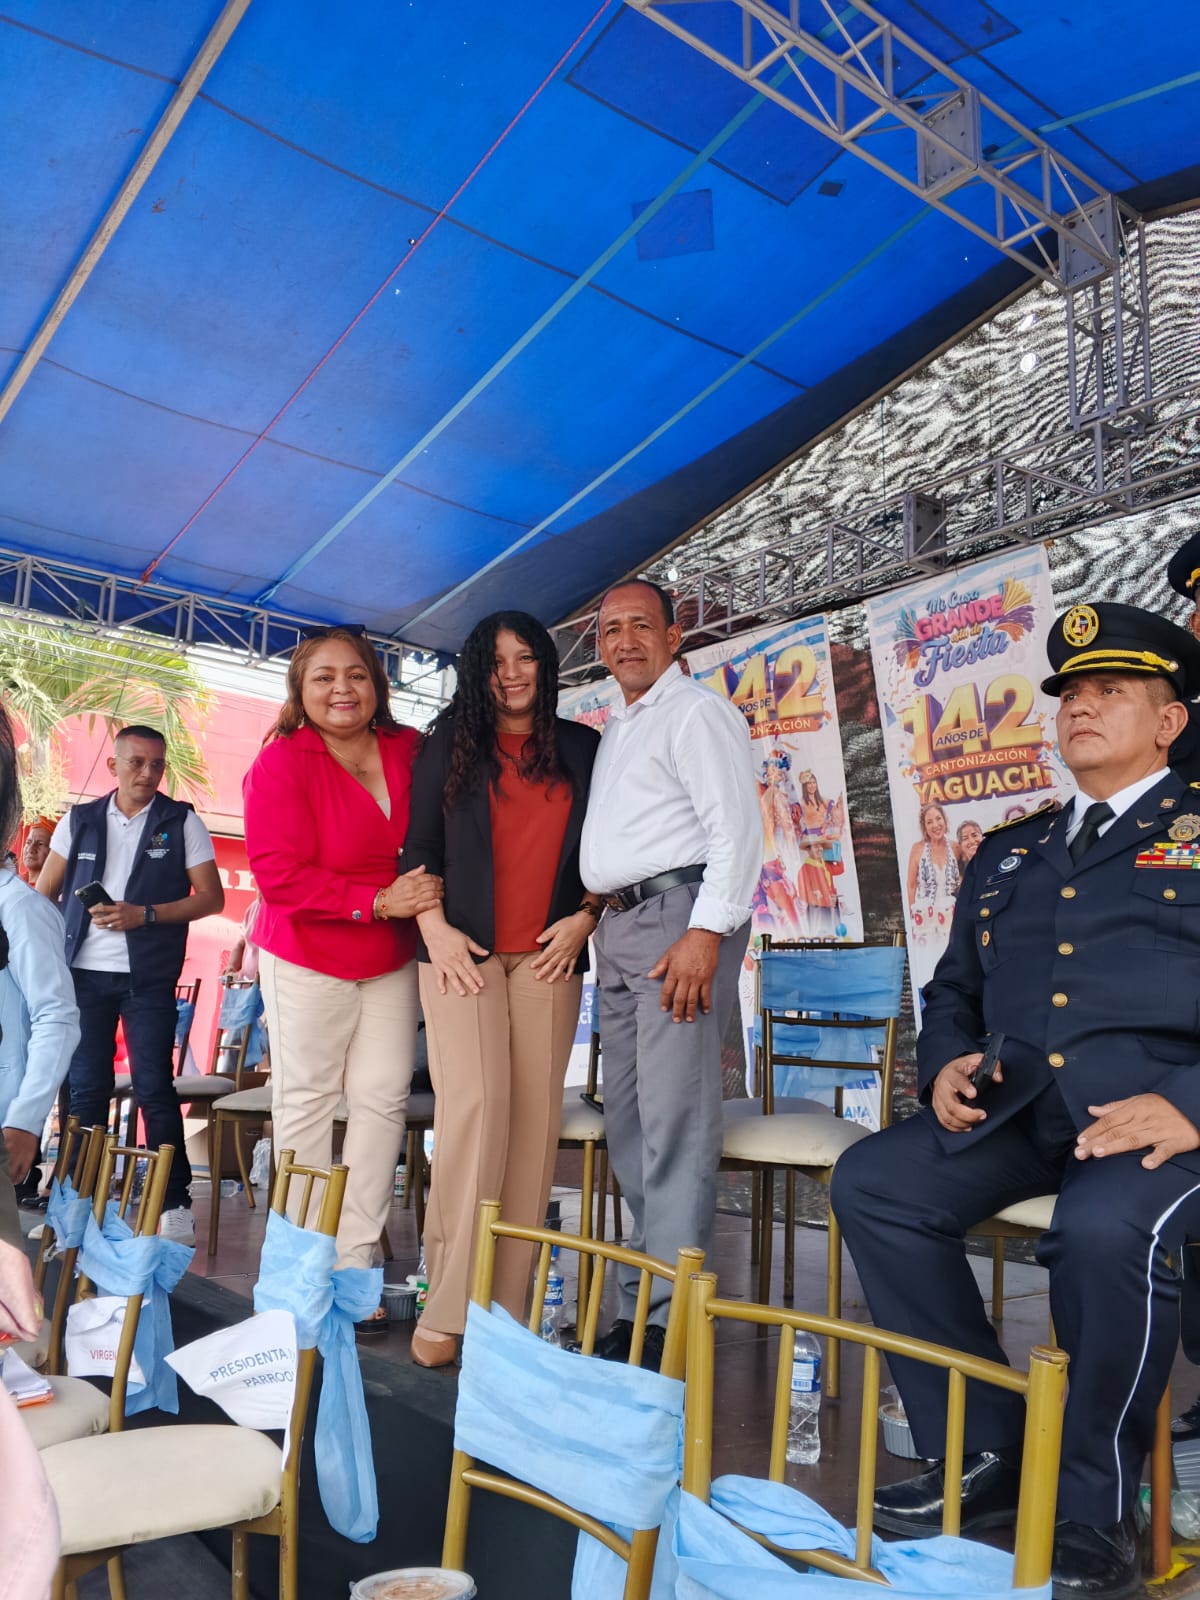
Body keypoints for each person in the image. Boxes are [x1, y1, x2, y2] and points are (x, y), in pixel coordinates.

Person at [831, 602, 1200, 1600]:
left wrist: (1192, 1106)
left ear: (1169, 721)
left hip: (1155, 1116)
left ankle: (1095, 1507)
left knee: (1103, 1234)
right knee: (874, 1182)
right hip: (1023, 1107)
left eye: (1110, 691)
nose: (1081, 706)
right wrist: (944, 1064)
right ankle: (984, 1450)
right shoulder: (1012, 849)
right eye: (1071, 693)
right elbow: (952, 986)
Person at [403, 611, 600, 1368]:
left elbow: (611, 851)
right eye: (495, 662)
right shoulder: (448, 743)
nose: (511, 674)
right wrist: (435, 931)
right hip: (463, 951)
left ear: (547, 666)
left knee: (532, 1130)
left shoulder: (584, 748)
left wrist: (588, 915)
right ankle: (448, 1303)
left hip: (550, 955)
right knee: (476, 1114)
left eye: (525, 659)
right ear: (476, 674)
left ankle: (506, 1313)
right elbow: (419, 848)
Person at [579, 580, 761, 1368]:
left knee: (674, 1126)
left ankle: (671, 1321)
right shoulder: (621, 724)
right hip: (620, 926)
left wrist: (705, 931)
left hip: (676, 920)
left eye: (640, 626)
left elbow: (736, 830)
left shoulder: (694, 712)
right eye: (610, 630)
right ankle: (640, 1309)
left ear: (674, 635)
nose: (625, 641)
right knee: (629, 1124)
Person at [242, 626, 440, 1314]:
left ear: (376, 684)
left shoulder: (409, 748)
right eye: (323, 677)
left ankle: (355, 1269)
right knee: (307, 1105)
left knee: (383, 1100)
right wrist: (377, 900)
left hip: (389, 955)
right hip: (307, 951)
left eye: (355, 674)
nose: (341, 689)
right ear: (300, 689)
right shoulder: (280, 762)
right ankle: (300, 1272)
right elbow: (277, 874)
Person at [36, 725, 220, 1243]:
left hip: (149, 978)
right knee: (85, 1092)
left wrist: (145, 914)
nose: (147, 772)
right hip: (82, 977)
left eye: (156, 764)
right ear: (113, 765)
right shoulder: (80, 820)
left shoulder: (180, 821)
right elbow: (44, 892)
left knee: (155, 1088)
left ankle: (175, 1203)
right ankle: (74, 1206)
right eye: (136, 762)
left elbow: (212, 898)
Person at [905, 800, 960, 952]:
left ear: (945, 820)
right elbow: (911, 885)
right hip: (925, 922)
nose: (935, 825)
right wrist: (913, 916)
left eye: (938, 818)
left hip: (951, 920)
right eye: (929, 822)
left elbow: (963, 881)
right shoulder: (917, 849)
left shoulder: (956, 848)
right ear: (924, 827)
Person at [20, 819, 54, 886]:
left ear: (53, 851)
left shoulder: (53, 889)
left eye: (40, 844)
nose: (31, 849)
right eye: (28, 842)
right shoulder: (16, 882)